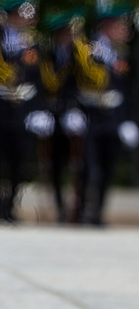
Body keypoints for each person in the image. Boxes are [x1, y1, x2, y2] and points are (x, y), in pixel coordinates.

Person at [0, 0, 49, 221]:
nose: (29, 19)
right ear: (12, 15)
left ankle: (10, 205)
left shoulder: (32, 43)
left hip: (23, 109)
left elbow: (38, 79)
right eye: (24, 14)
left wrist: (39, 109)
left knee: (19, 162)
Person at [73, 2, 139, 225]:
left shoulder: (121, 53)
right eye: (121, 26)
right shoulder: (86, 48)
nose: (125, 31)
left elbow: (125, 90)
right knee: (90, 169)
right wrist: (73, 111)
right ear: (107, 25)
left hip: (113, 119)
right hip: (90, 116)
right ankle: (83, 210)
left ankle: (98, 213)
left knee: (108, 168)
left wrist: (128, 121)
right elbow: (73, 83)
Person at [39, 10, 85, 222]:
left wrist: (76, 107)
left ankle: (81, 209)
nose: (71, 37)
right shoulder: (47, 55)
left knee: (81, 164)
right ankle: (59, 207)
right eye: (67, 33)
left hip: (76, 114)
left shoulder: (83, 55)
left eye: (73, 33)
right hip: (54, 115)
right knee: (55, 164)